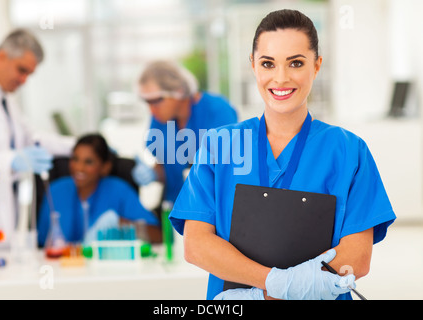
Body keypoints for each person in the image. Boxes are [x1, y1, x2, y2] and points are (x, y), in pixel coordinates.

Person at [169, 9, 396, 300]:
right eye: (268, 63)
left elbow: (357, 257)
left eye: (296, 63)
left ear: (316, 66)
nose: (281, 78)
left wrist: (267, 295)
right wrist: (276, 282)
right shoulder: (219, 145)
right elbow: (197, 244)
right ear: (253, 65)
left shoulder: (348, 151)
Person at [0, 29, 74, 245]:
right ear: (2, 56)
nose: (24, 80)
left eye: (29, 74)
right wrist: (11, 161)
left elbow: (33, 139)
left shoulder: (6, 100)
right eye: (21, 70)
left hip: (0, 219)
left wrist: (77, 146)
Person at [131, 60, 238, 204]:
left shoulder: (217, 111)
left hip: (214, 208)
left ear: (178, 91)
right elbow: (168, 168)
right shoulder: (160, 120)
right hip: (176, 206)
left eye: (156, 101)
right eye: (147, 102)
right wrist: (154, 174)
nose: (152, 110)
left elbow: (228, 172)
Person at [37, 134, 161, 247]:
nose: (79, 167)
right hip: (63, 267)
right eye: (75, 159)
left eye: (89, 162)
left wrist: (119, 224)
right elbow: (41, 242)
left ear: (105, 167)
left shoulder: (119, 190)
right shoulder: (55, 191)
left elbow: (158, 235)